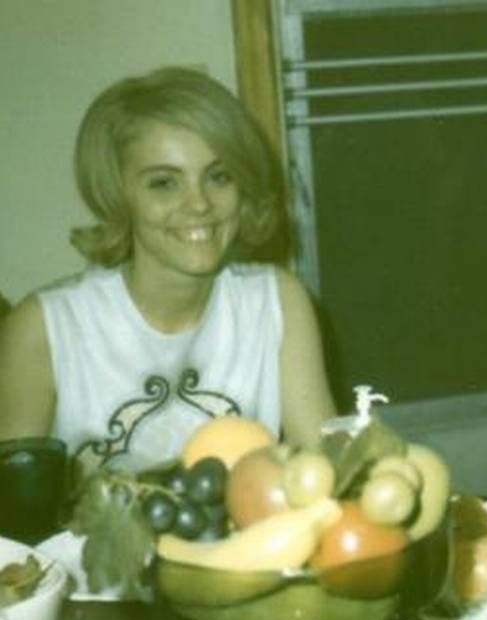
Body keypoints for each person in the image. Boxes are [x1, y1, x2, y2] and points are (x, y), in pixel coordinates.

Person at [0, 67, 336, 474]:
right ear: (118, 193)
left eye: (219, 176)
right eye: (164, 182)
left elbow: (326, 471)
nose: (199, 204)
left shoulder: (278, 302)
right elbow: (14, 508)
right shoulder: (45, 327)